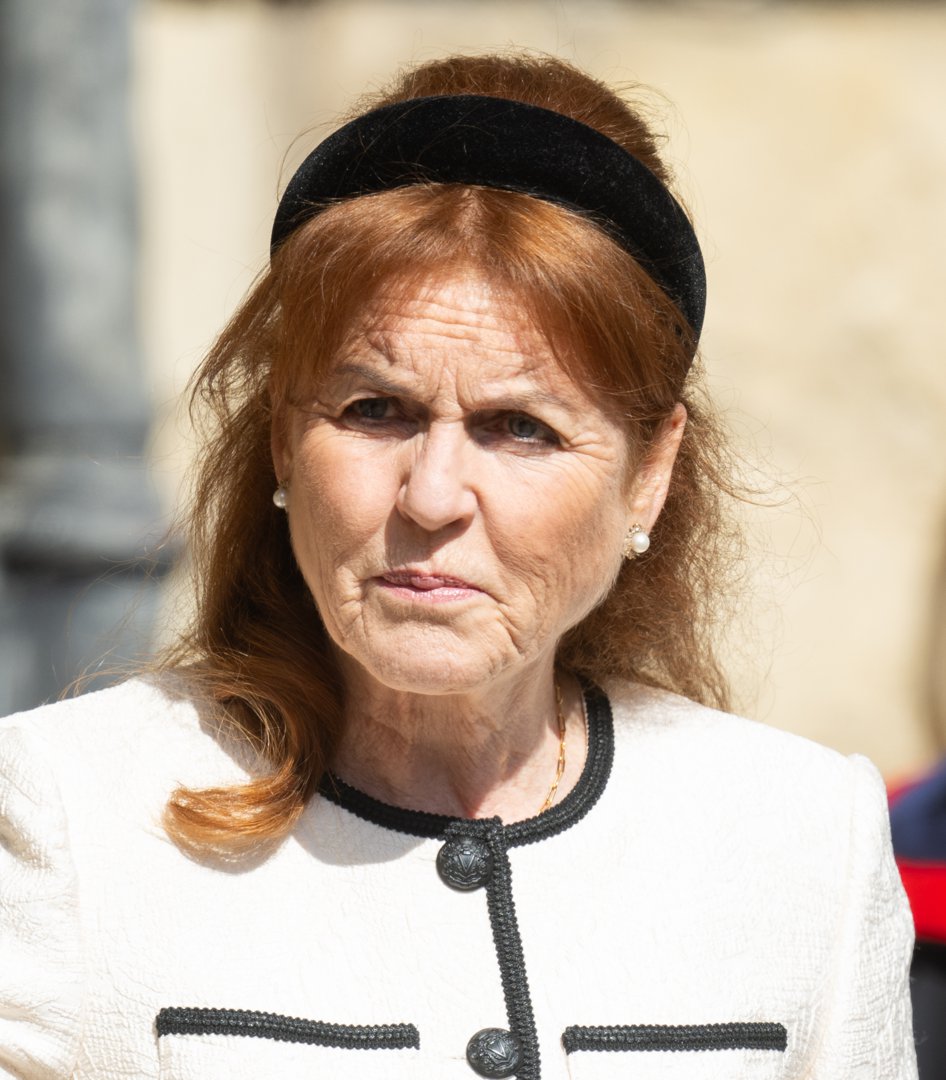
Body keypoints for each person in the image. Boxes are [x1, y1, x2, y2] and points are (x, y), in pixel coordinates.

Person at [0, 54, 916, 1080]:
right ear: (278, 444)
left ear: (648, 473)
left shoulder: (801, 839)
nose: (432, 496)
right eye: (373, 411)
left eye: (517, 427)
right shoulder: (65, 817)